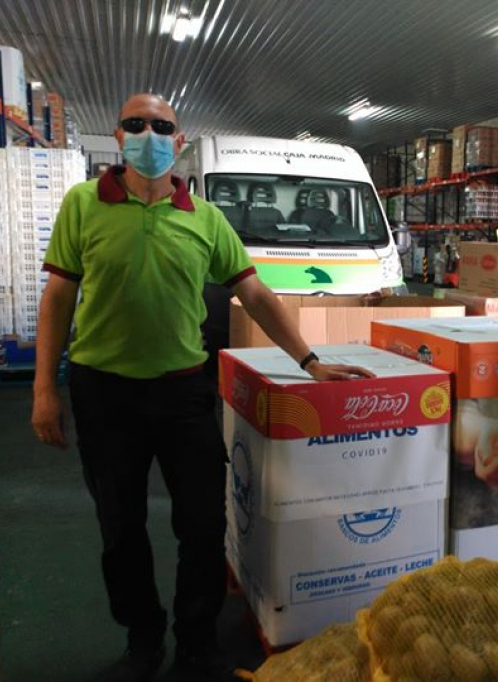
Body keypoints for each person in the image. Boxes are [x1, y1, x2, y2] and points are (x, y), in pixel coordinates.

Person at [31, 93, 373, 682]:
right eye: (136, 124)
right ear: (118, 136)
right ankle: (142, 640)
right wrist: (44, 388)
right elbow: (59, 297)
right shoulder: (83, 205)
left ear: (179, 140)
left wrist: (311, 361)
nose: (149, 135)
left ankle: (195, 641)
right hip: (104, 394)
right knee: (122, 529)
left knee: (201, 526)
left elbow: (257, 294)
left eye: (161, 126)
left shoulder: (205, 218)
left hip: (184, 394)